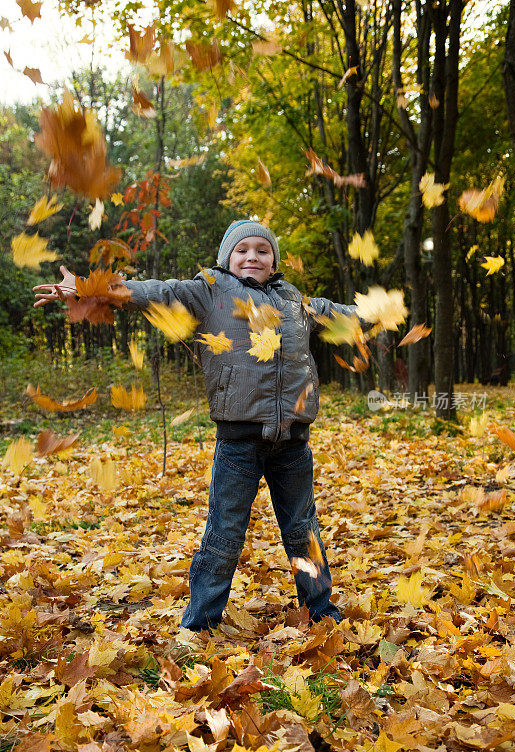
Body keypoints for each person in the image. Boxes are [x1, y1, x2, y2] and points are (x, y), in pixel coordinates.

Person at [33, 220, 361, 631]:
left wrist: (379, 313)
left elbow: (340, 314)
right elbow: (155, 291)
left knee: (303, 532)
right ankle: (200, 623)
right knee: (224, 535)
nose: (252, 257)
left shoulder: (293, 299)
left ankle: (321, 612)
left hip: (293, 443)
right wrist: (87, 287)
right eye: (243, 250)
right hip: (239, 442)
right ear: (227, 256)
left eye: (262, 250)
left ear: (273, 259)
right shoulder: (210, 290)